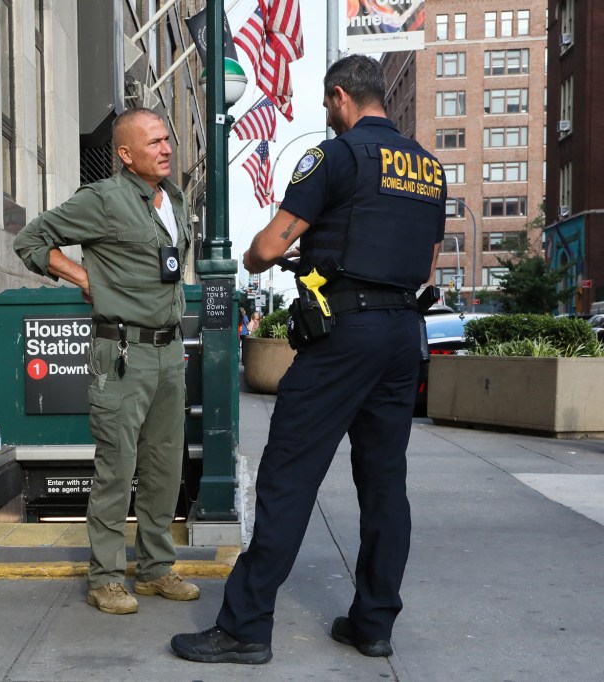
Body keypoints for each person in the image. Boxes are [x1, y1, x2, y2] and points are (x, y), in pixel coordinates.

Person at [171, 54, 445, 664]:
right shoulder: (428, 168)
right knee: (384, 483)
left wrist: (253, 257)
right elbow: (426, 265)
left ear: (342, 97)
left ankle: (244, 627)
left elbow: (271, 244)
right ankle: (373, 623)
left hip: (345, 338)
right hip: (404, 336)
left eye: (327, 104)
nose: (326, 114)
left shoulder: (335, 157)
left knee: (288, 476)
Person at [14, 107, 199, 615]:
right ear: (125, 153)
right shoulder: (103, 199)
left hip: (168, 353)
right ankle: (107, 579)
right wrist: (86, 279)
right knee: (117, 469)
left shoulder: (173, 199)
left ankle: (158, 569)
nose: (165, 149)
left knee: (164, 467)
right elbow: (31, 241)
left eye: (167, 140)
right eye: (154, 142)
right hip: (122, 353)